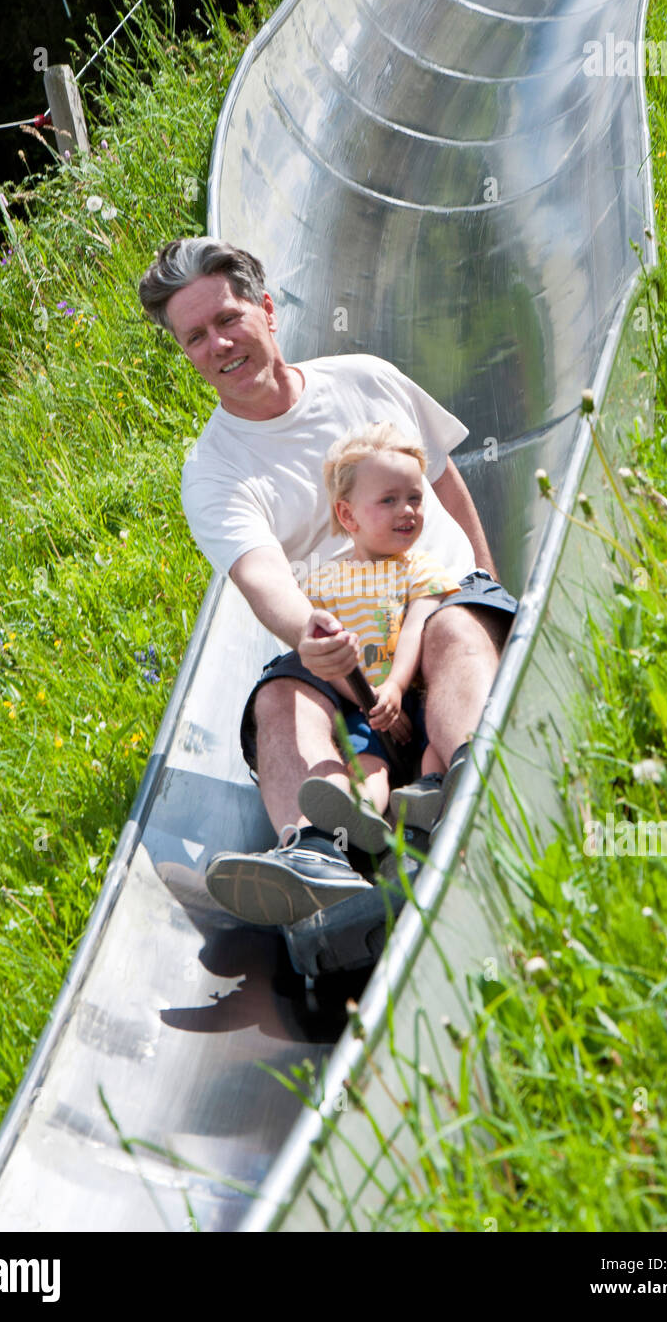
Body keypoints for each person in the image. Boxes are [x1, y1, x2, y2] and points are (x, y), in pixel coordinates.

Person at [138, 237, 517, 929]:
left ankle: (474, 775)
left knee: (452, 625)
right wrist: (304, 632)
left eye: (228, 320)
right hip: (348, 658)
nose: (219, 344)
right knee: (279, 695)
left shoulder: (364, 380)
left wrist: (488, 584)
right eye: (195, 337)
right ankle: (314, 857)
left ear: (267, 310)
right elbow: (260, 576)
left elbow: (442, 482)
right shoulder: (215, 471)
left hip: (435, 605)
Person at [296, 419, 462, 856]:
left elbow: (414, 631)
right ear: (347, 514)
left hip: (418, 695)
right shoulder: (322, 584)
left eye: (414, 498)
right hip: (362, 704)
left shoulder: (420, 569)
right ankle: (360, 822)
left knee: (436, 745)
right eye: (389, 500)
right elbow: (321, 658)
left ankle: (430, 801)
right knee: (368, 767)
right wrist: (369, 701)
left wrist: (395, 688)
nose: (407, 510)